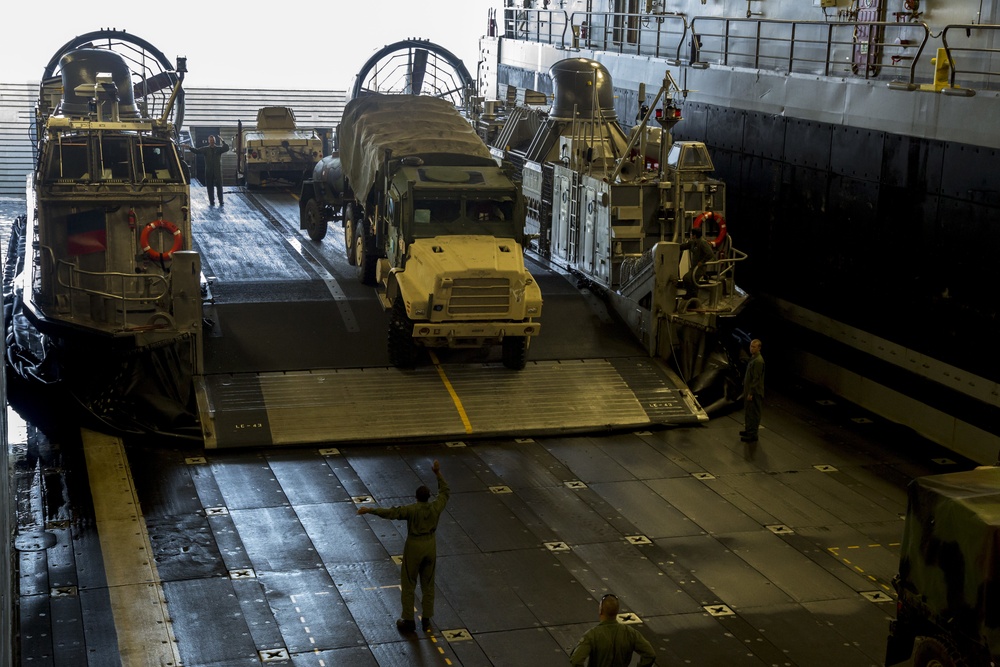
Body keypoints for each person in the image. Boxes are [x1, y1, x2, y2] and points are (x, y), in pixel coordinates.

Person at [358, 459, 450, 633]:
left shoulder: (411, 510)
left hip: (414, 546)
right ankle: (426, 621)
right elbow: (445, 491)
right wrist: (437, 473)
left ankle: (409, 620)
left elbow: (392, 513)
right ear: (428, 497)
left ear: (416, 497)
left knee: (408, 584)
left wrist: (370, 510)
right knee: (428, 584)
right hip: (430, 545)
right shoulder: (436, 507)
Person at [570, 593, 656, 666]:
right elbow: (650, 654)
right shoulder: (630, 633)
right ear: (617, 611)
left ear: (600, 611)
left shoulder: (592, 635)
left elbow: (576, 660)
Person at [188, 134, 230, 205]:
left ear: (215, 141)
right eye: (210, 140)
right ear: (208, 141)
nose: (212, 141)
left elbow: (226, 148)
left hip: (217, 171)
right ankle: (211, 201)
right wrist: (189, 147)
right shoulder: (205, 149)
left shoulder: (218, 149)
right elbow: (197, 151)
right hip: (209, 171)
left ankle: (221, 201)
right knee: (210, 187)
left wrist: (222, 140)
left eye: (213, 140)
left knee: (219, 186)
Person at [679, 226, 715, 295]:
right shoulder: (693, 242)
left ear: (694, 235)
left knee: (688, 278)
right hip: (694, 267)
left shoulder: (703, 243)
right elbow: (684, 246)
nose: (690, 235)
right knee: (690, 279)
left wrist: (702, 261)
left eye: (691, 234)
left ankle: (692, 295)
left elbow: (710, 254)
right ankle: (691, 295)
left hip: (700, 268)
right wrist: (674, 247)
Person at [741, 338, 765, 442]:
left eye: (754, 347)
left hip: (754, 392)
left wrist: (751, 392)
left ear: (759, 348)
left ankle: (752, 434)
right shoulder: (753, 358)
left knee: (754, 412)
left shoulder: (758, 361)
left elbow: (756, 379)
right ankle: (749, 430)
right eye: (751, 346)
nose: (751, 349)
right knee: (748, 411)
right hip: (749, 389)